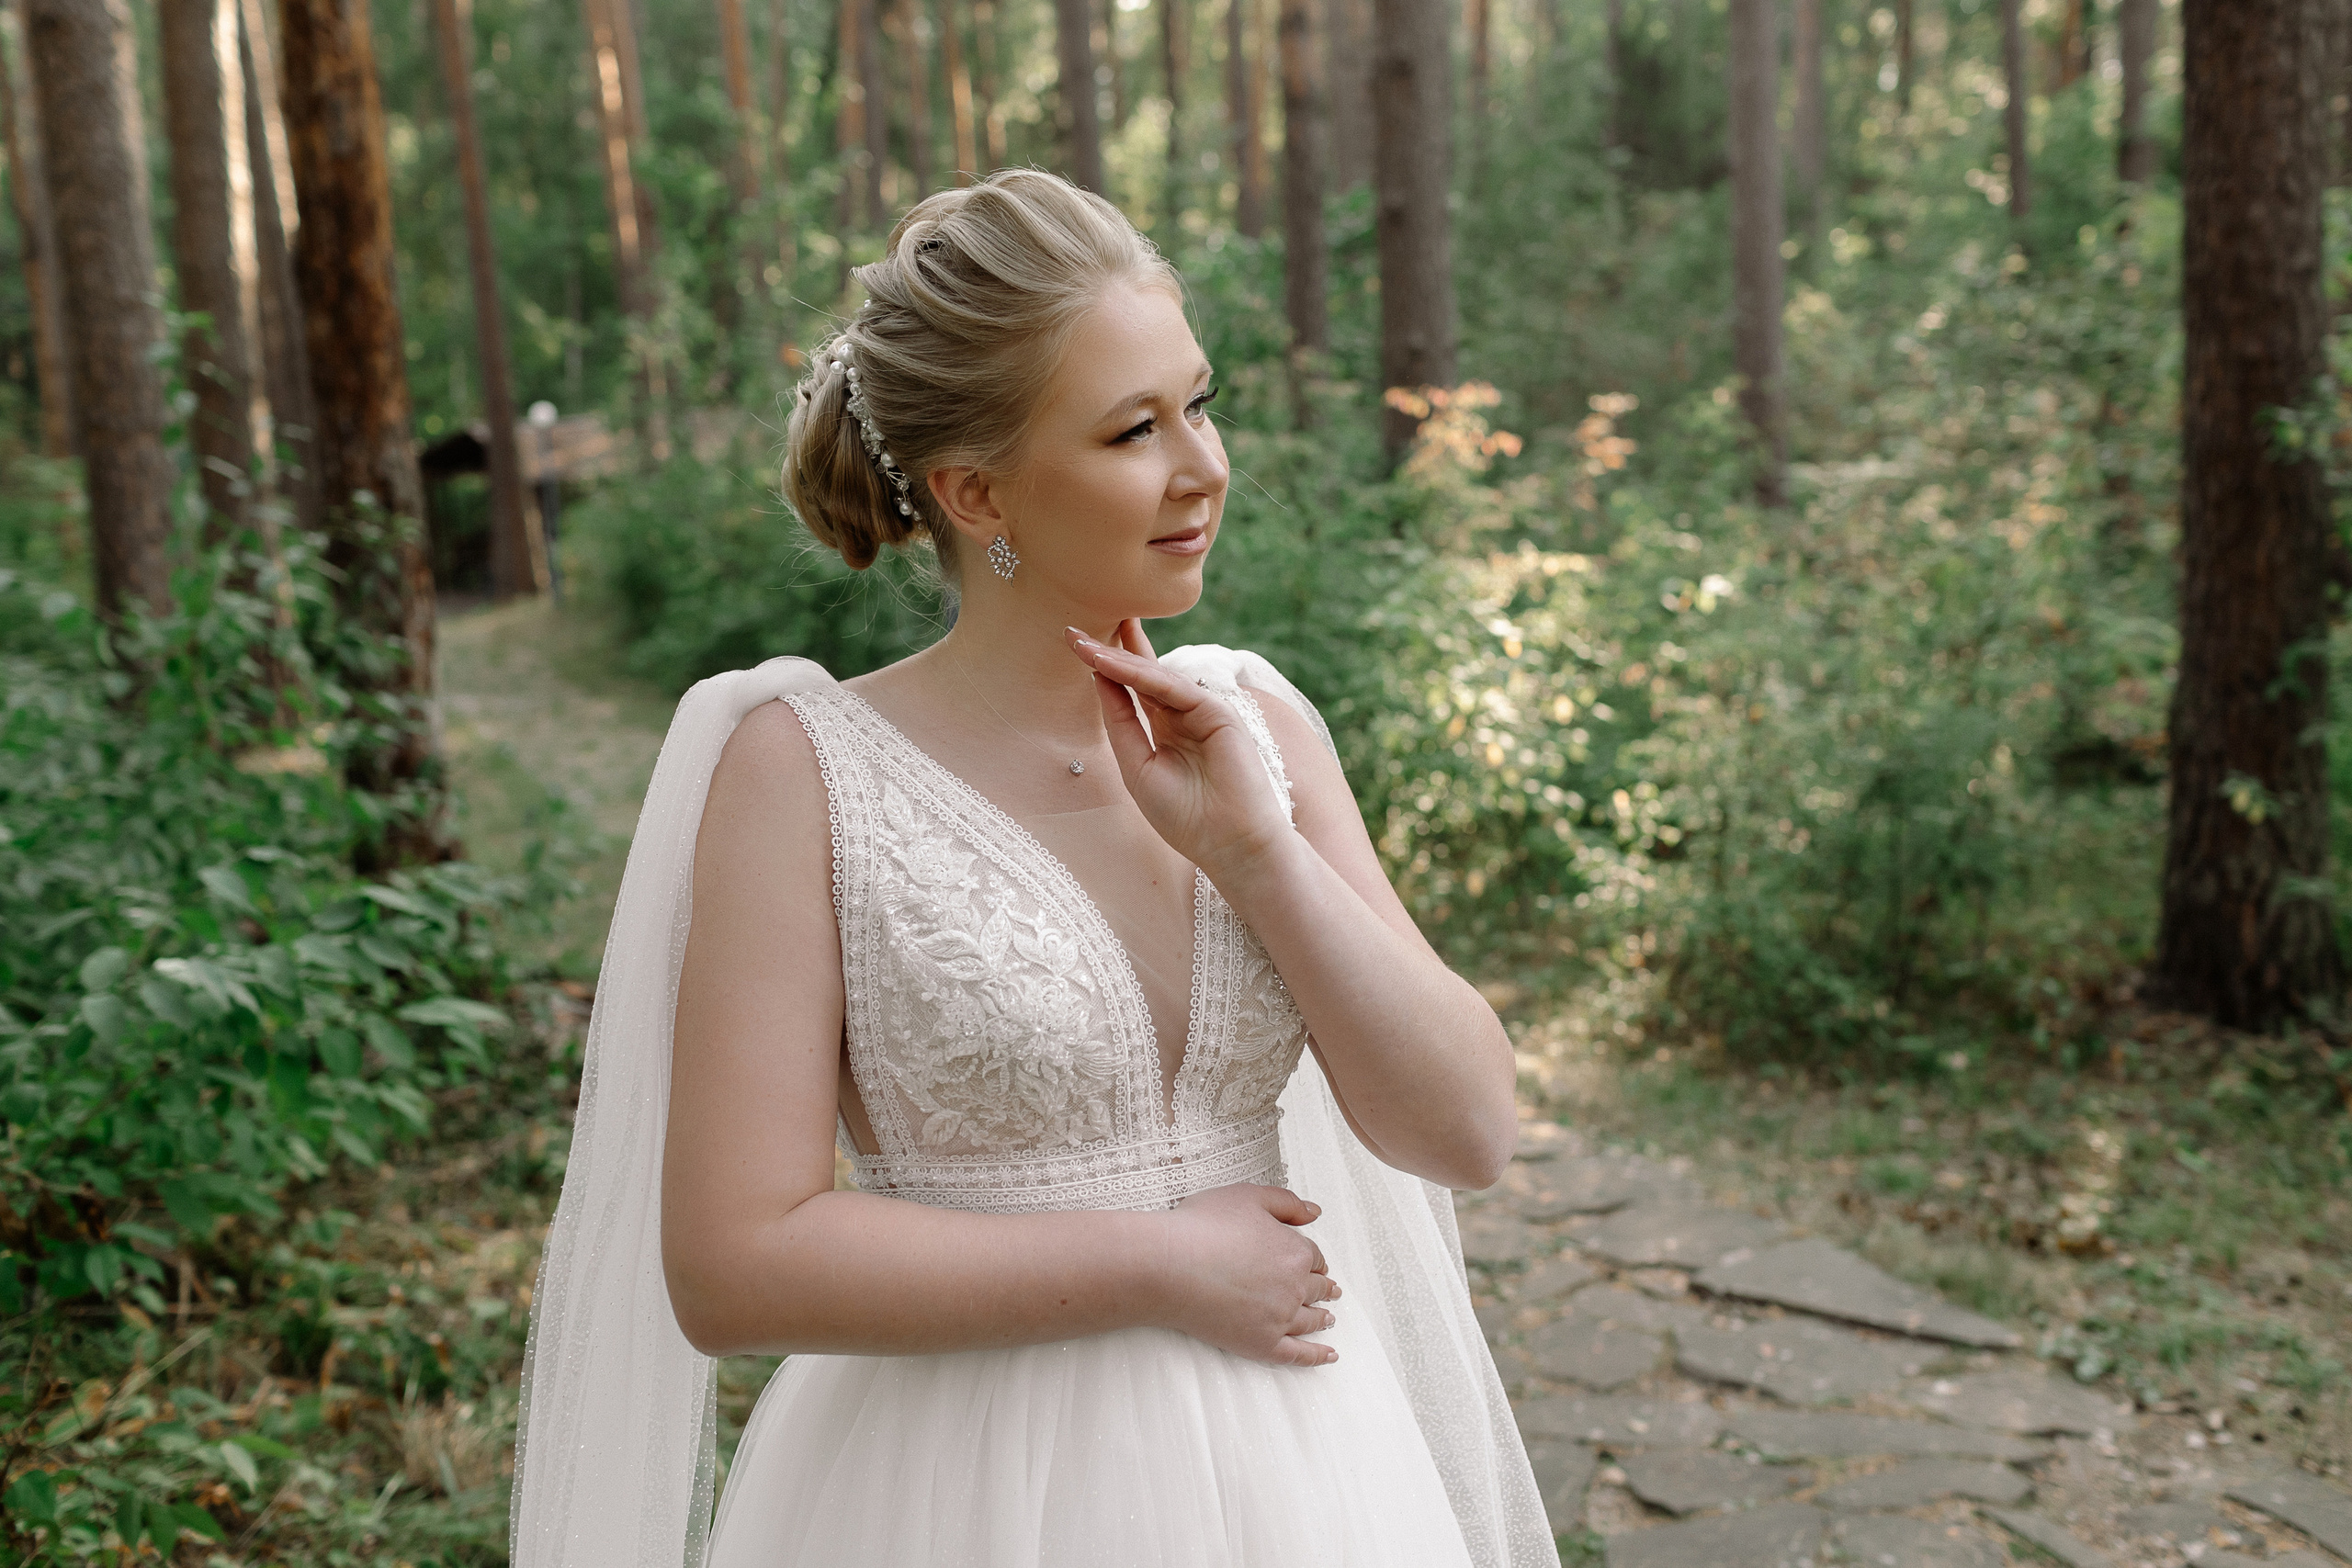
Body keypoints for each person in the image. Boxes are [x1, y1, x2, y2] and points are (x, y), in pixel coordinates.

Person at [510, 168, 1557, 1568]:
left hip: (1304, 1470)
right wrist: (1163, 1262)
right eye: (1134, 428)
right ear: (973, 488)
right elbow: (732, 1265)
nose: (1203, 465)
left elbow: (1468, 1133)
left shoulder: (1260, 724)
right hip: (961, 1488)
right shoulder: (801, 771)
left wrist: (1260, 855)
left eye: (1201, 401)